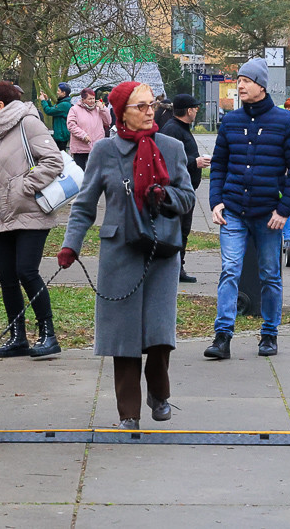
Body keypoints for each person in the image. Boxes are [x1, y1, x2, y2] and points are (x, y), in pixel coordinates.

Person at [57, 81, 196, 429]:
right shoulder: (104, 151)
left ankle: (159, 394)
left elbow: (188, 197)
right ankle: (128, 414)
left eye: (152, 105)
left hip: (162, 251)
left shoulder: (172, 147)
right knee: (124, 336)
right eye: (141, 106)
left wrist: (165, 196)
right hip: (119, 251)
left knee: (160, 332)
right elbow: (85, 204)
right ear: (122, 113)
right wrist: (71, 244)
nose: (150, 112)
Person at [206, 58, 290, 359]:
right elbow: (219, 165)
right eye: (238, 80)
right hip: (234, 210)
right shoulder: (231, 121)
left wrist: (284, 209)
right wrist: (216, 201)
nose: (240, 86)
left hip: (268, 215)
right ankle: (222, 336)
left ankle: (269, 333)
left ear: (261, 86)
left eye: (246, 81)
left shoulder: (285, 122)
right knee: (229, 270)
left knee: (270, 274)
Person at [0, 81, 65, 359]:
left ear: (0, 105)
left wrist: (24, 187)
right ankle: (18, 337)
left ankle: (48, 334)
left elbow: (53, 161)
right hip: (1, 215)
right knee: (7, 277)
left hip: (30, 212)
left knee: (26, 271)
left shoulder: (28, 122)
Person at [160, 93, 209, 284]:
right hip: (176, 191)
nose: (196, 111)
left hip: (184, 190)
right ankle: (173, 269)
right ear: (188, 110)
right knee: (177, 230)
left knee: (182, 230)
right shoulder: (172, 129)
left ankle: (177, 267)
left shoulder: (180, 128)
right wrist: (194, 162)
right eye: (195, 108)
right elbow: (167, 158)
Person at [66, 87, 111, 169]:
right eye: (89, 99)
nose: (92, 101)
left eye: (93, 98)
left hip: (96, 146)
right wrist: (83, 135)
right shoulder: (74, 109)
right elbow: (71, 125)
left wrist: (103, 109)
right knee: (80, 171)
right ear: (83, 99)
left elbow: (108, 122)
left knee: (96, 171)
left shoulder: (99, 109)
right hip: (80, 148)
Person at [39, 83, 73, 151]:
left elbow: (49, 111)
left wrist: (43, 101)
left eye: (58, 91)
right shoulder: (62, 103)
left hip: (61, 136)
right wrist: (47, 101)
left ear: (64, 93)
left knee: (60, 154)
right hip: (60, 135)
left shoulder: (64, 105)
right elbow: (53, 110)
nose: (57, 92)